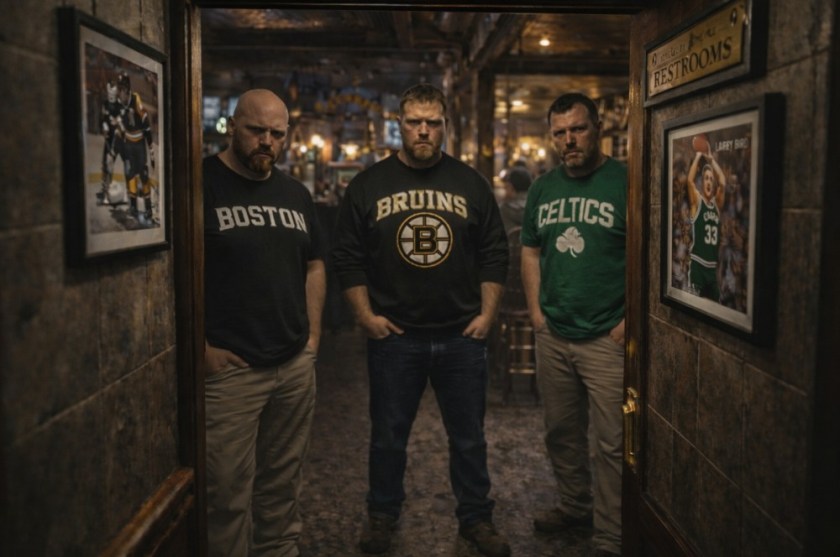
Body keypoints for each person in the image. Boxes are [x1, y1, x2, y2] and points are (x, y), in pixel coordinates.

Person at [331, 83, 511, 557]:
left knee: (469, 438)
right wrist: (365, 317)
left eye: (433, 122)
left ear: (445, 125)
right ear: (400, 124)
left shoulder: (470, 183)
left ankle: (476, 518)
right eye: (415, 122)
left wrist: (487, 316)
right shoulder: (368, 184)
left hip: (460, 337)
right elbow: (347, 257)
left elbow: (495, 252)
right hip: (395, 338)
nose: (424, 130)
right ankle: (382, 516)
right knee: (388, 437)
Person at [203, 88, 327, 557]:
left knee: (282, 485)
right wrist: (198, 346)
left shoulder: (295, 193)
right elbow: (171, 271)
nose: (266, 142)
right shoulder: (199, 183)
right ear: (231, 125)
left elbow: (315, 263)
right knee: (225, 494)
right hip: (231, 370)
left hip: (294, 365)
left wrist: (313, 338)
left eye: (276, 133)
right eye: (257, 130)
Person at [520, 92, 626, 557]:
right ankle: (575, 505)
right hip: (555, 332)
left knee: (611, 444)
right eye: (560, 132)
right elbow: (530, 248)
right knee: (560, 432)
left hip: (607, 334)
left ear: (597, 127)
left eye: (578, 129)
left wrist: (630, 321)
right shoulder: (543, 188)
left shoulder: (625, 181)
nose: (569, 140)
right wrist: (536, 314)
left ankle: (611, 534)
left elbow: (650, 249)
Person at [115, 72, 156, 226]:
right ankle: (132, 208)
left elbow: (145, 123)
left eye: (121, 89)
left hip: (139, 145)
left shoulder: (135, 99)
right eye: (118, 89)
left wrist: (151, 148)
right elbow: (120, 127)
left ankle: (148, 209)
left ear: (127, 89)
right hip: (128, 145)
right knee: (130, 174)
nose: (119, 93)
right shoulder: (119, 104)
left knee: (143, 175)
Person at [686, 144, 727, 301]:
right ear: (702, 183)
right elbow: (690, 182)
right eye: (706, 178)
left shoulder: (717, 206)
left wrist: (711, 160)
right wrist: (698, 156)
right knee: (692, 308)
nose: (709, 181)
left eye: (711, 179)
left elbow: (723, 181)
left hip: (711, 269)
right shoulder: (698, 202)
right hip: (697, 265)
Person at [97, 79, 125, 205]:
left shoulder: (119, 105)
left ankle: (127, 193)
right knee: (106, 165)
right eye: (109, 95)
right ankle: (105, 193)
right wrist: (103, 125)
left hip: (118, 139)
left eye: (113, 95)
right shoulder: (105, 104)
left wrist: (119, 123)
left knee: (122, 164)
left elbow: (122, 120)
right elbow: (102, 118)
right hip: (109, 139)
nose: (111, 98)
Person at [498, 165, 532, 232]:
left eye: (506, 187)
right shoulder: (538, 207)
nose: (505, 189)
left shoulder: (503, 210)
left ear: (511, 187)